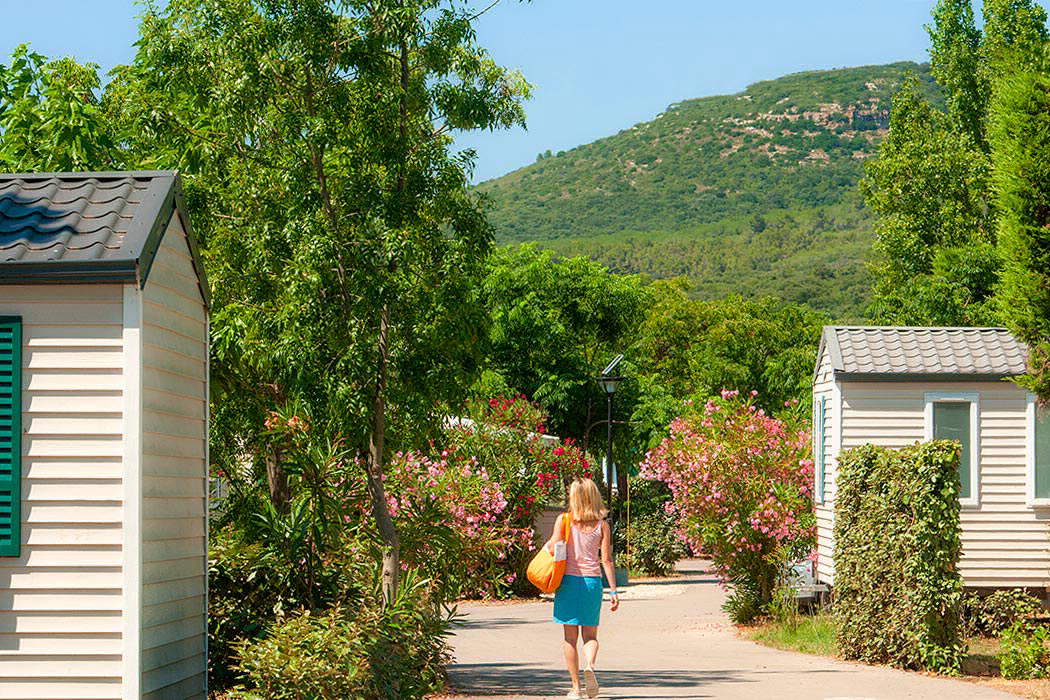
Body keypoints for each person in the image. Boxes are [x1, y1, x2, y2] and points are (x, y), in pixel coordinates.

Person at [544, 477, 620, 699]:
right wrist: (613, 591)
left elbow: (554, 547)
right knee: (590, 636)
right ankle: (590, 665)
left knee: (570, 638)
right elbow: (606, 559)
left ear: (573, 497)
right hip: (591, 584)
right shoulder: (602, 525)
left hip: (567, 583)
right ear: (594, 497)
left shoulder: (564, 520)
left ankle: (576, 688)